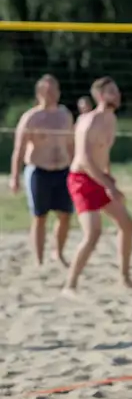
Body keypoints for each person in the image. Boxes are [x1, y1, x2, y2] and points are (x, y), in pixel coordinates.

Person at [63, 77, 132, 294]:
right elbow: (84, 159)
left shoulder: (111, 119)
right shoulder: (89, 122)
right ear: (101, 96)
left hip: (100, 177)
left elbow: (103, 154)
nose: (118, 94)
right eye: (112, 91)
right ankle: (70, 284)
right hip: (82, 180)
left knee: (127, 224)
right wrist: (108, 185)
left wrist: (109, 179)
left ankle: (124, 278)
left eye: (117, 90)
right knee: (93, 234)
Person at [8, 75, 74, 267]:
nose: (52, 95)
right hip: (39, 171)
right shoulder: (31, 117)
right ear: (39, 94)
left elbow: (71, 145)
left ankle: (58, 253)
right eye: (48, 91)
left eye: (55, 91)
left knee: (65, 214)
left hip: (63, 170)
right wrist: (15, 177)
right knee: (40, 216)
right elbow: (19, 150)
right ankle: (39, 259)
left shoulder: (65, 115)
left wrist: (77, 168)